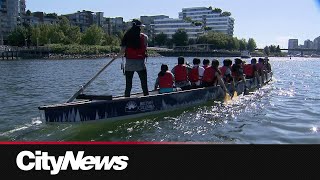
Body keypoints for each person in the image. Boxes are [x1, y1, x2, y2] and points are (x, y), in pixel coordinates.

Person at [113, 19, 149, 97]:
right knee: (144, 84)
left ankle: (126, 98)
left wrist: (116, 57)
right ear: (139, 27)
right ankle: (146, 97)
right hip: (140, 63)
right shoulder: (145, 37)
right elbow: (145, 47)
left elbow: (122, 51)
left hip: (129, 63)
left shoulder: (126, 36)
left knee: (128, 85)